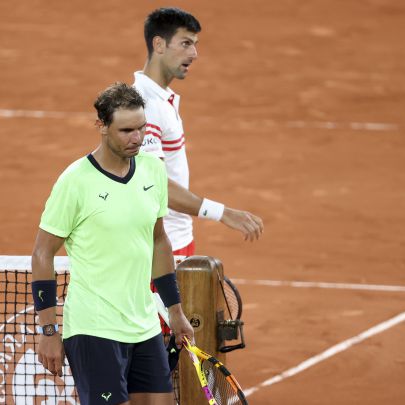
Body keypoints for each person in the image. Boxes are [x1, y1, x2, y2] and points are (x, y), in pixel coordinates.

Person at [31, 82, 194, 405]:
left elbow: (159, 240)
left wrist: (174, 311)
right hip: (95, 329)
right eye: (126, 130)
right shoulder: (75, 181)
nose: (137, 138)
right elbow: (42, 253)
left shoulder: (152, 170)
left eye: (142, 128)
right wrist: (48, 331)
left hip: (144, 325)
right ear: (102, 127)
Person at [134, 7, 264, 256]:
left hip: (174, 240)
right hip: (160, 249)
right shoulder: (145, 105)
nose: (194, 53)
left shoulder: (159, 99)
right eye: (185, 43)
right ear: (159, 44)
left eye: (195, 44)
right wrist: (223, 213)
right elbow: (154, 185)